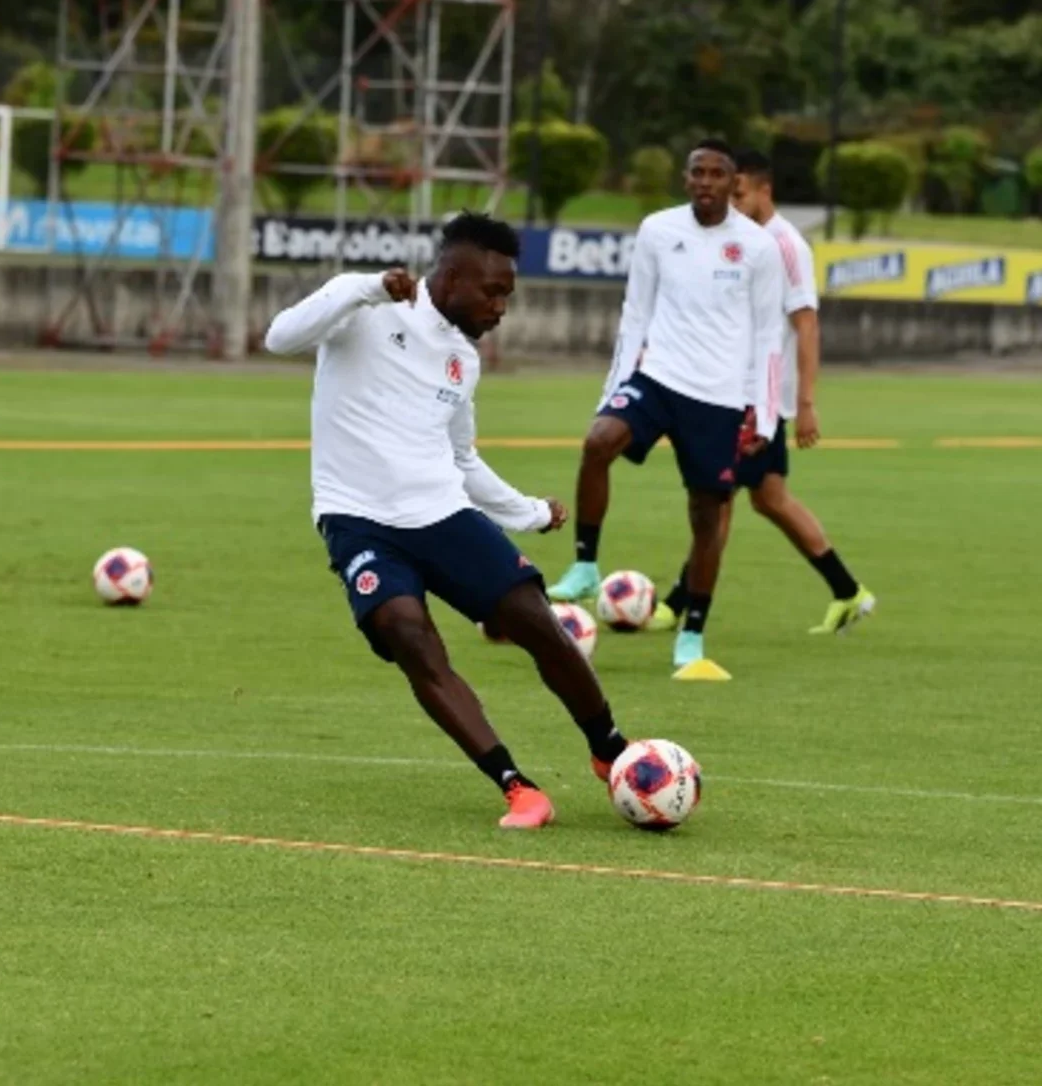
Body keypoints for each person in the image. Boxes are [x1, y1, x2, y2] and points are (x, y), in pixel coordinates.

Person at [264, 212, 631, 830]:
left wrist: (529, 512)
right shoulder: (365, 302)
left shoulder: (463, 359)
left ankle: (610, 750)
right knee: (409, 634)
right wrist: (370, 288)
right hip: (356, 520)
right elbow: (279, 337)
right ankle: (517, 788)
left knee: (533, 621)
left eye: (508, 295)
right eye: (493, 292)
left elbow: (461, 459)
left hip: (442, 514)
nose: (501, 307)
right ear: (453, 275)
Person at [546, 140, 784, 677]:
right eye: (696, 172)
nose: (705, 181)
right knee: (597, 441)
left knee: (706, 517)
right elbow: (636, 315)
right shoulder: (658, 230)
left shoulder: (757, 247)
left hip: (719, 398)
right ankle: (585, 564)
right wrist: (614, 388)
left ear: (733, 182)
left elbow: (770, 336)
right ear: (685, 180)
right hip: (658, 378)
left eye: (716, 173)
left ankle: (691, 638)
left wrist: (763, 415)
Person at [653, 149, 876, 637]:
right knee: (769, 499)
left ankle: (676, 604)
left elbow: (807, 323)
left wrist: (807, 405)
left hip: (758, 404)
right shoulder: (738, 240)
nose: (728, 202)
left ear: (762, 190)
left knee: (719, 502)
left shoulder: (784, 245)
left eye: (738, 193)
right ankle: (848, 592)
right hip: (735, 394)